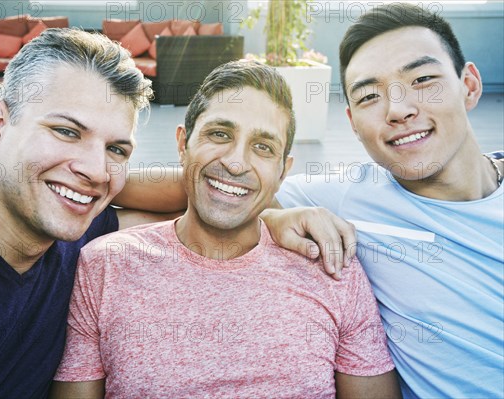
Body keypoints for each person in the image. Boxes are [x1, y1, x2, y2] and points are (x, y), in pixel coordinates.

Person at [50, 60, 401, 398]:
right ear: (182, 145)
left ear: (283, 171)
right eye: (219, 134)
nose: (235, 162)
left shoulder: (332, 269)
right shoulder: (104, 266)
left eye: (263, 147)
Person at [260, 4, 503, 398]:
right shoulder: (347, 197)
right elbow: (217, 184)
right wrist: (271, 215)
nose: (399, 110)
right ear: (353, 122)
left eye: (423, 79)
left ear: (469, 86)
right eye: (370, 96)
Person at [0, 28, 159, 398]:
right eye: (66, 131)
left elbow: (197, 206)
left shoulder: (82, 229)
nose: (97, 169)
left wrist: (271, 217)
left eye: (116, 150)